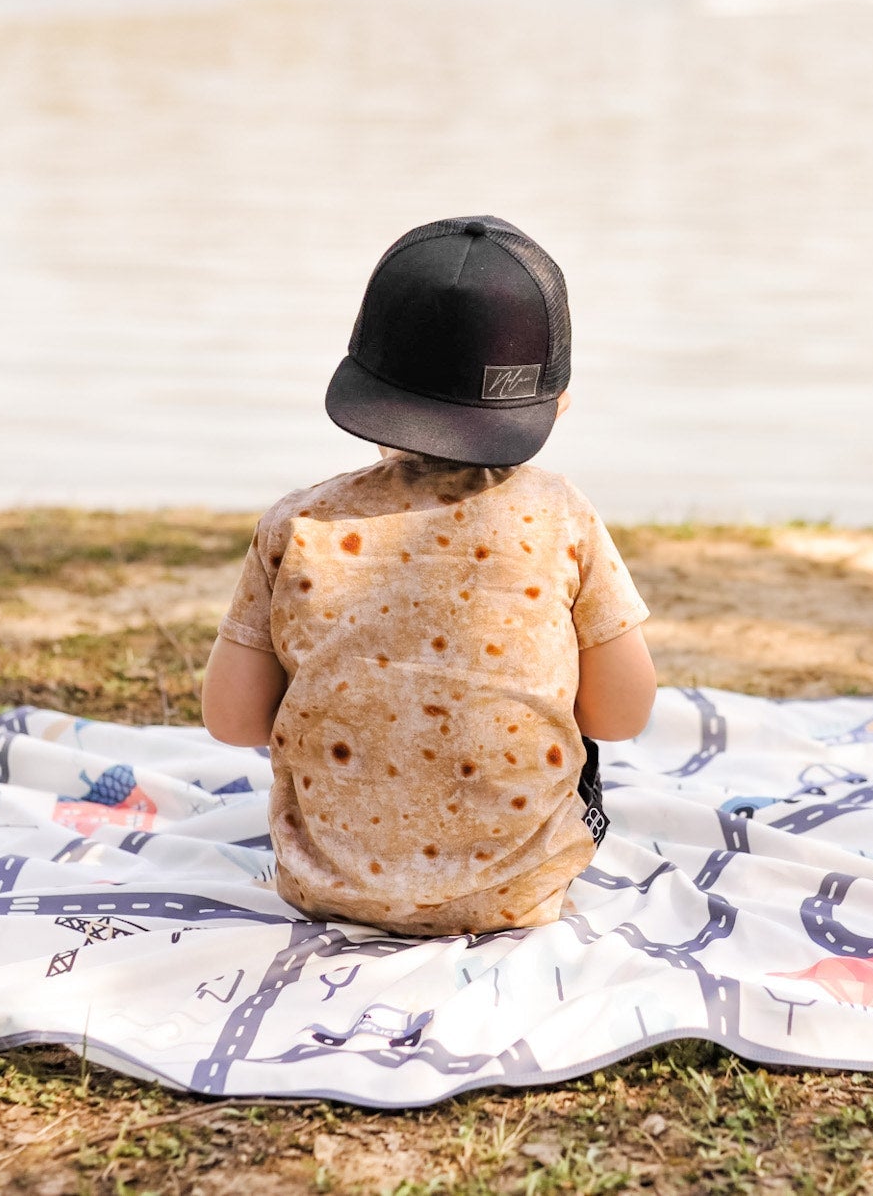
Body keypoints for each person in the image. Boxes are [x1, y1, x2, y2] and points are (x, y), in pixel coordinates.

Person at [202, 216, 656, 936]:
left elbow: (232, 721)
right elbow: (622, 714)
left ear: (363, 391)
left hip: (324, 885)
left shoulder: (296, 526)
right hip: (521, 891)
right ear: (555, 403)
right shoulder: (562, 516)